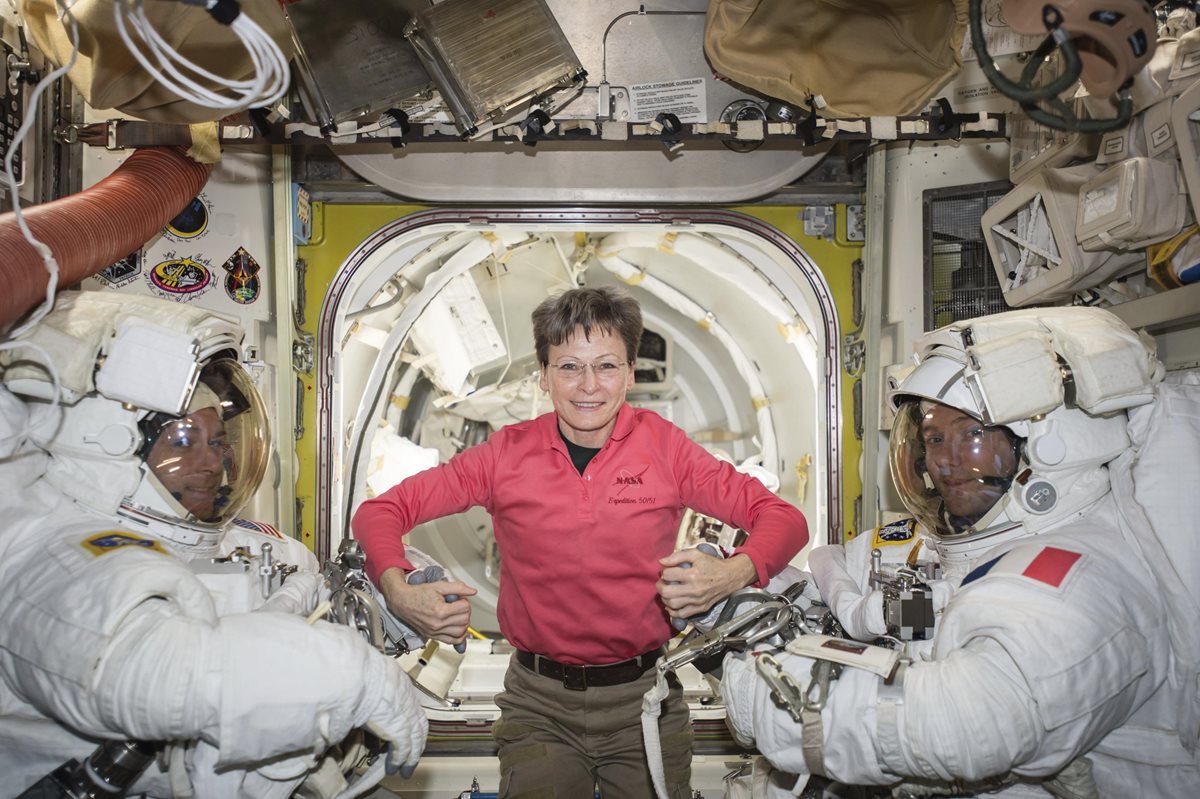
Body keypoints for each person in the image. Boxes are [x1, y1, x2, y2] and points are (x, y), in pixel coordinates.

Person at [721, 306, 1200, 796]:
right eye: (933, 439)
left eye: (971, 434)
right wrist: (731, 594)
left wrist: (760, 695)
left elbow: (967, 722)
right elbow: (837, 586)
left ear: (1051, 443)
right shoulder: (938, 543)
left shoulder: (1082, 579)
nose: (943, 462)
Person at [352, 285, 809, 798]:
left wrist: (730, 572)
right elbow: (380, 512)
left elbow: (784, 519)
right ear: (544, 375)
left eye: (606, 366)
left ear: (630, 373)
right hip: (538, 706)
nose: (588, 385)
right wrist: (399, 590)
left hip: (645, 700)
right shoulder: (505, 455)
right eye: (569, 366)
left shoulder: (665, 449)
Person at [0, 291, 427, 797]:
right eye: (183, 442)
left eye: (218, 441)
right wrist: (356, 678)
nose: (211, 464)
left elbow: (315, 605)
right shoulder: (56, 558)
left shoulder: (240, 543)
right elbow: (155, 672)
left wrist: (394, 605)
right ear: (111, 444)